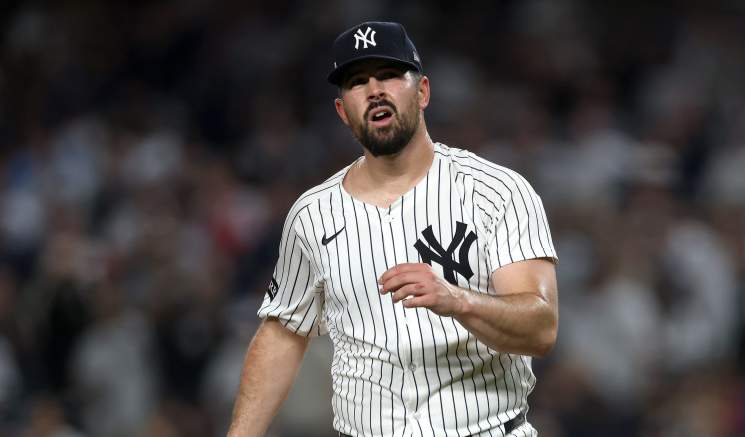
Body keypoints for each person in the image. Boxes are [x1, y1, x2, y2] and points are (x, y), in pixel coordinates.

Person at [228, 21, 559, 437]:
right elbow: (282, 333)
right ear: (342, 111)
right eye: (356, 81)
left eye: (388, 75)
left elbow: (541, 328)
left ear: (422, 92)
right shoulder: (312, 214)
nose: (374, 90)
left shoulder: (496, 190)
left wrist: (457, 299)